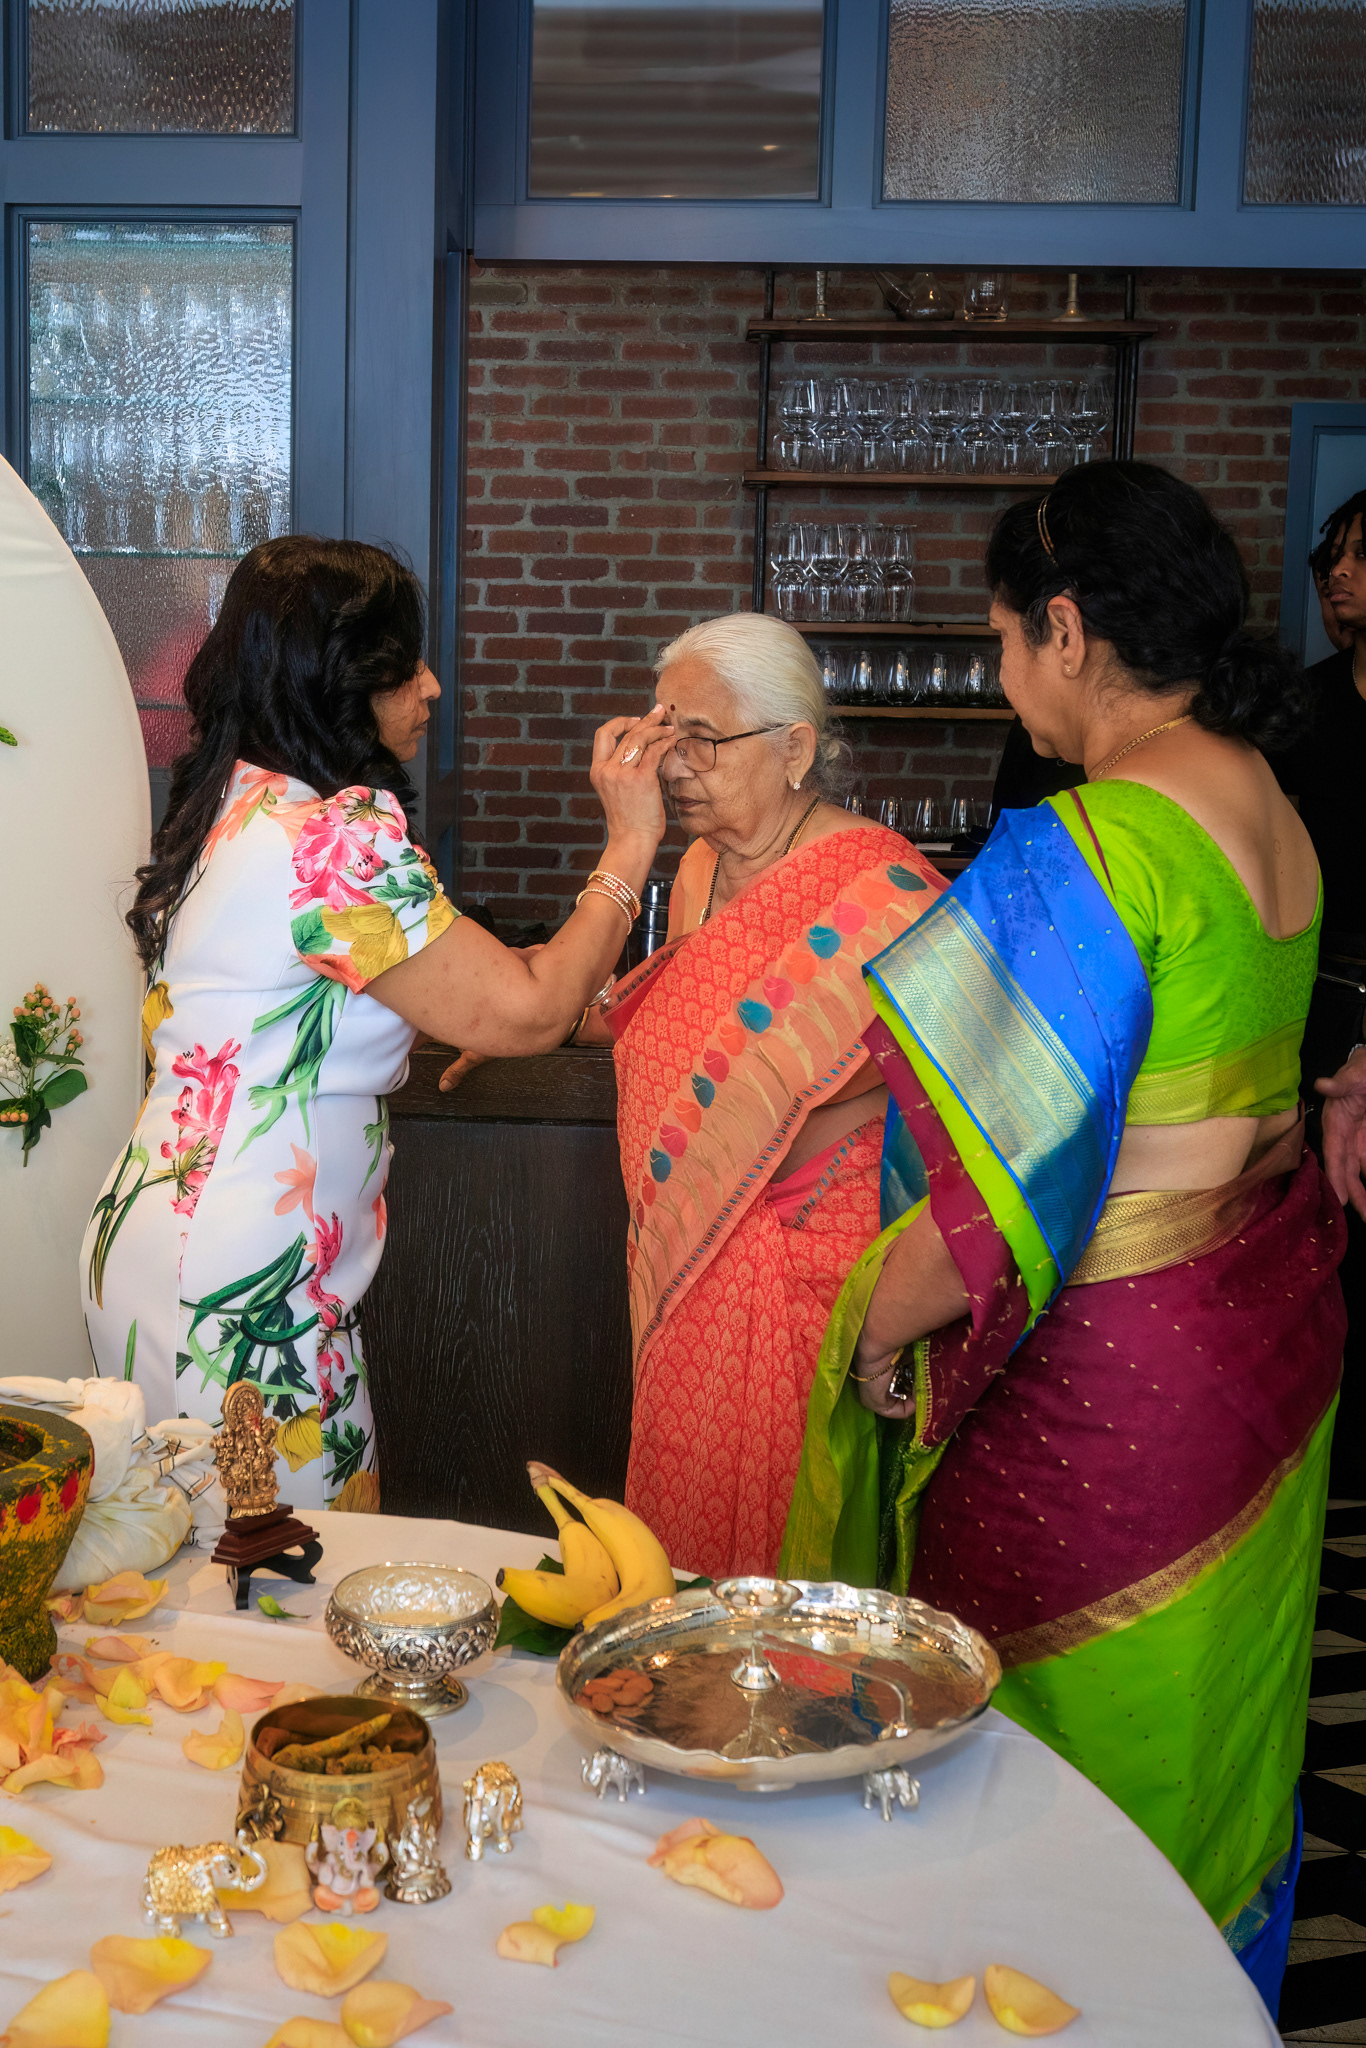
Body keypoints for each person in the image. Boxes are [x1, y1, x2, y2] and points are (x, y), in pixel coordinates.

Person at [782, 462, 1346, 2016]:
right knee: (1210, 1709)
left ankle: (1066, 2004)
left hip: (1108, 1370)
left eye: (1003, 641)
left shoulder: (1089, 843)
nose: (1004, 679)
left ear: (1070, 630)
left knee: (1064, 1734)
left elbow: (1005, 1179)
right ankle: (1198, 1999)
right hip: (1256, 1337)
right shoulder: (1272, 806)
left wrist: (876, 1321)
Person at [82, 536, 674, 1508]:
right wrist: (632, 842)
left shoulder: (238, 804)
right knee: (290, 1559)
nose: (430, 685)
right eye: (403, 663)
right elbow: (530, 1010)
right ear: (341, 677)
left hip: (162, 1240)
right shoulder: (336, 840)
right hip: (245, 1286)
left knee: (193, 1550)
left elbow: (320, 999)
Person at [592, 613, 944, 1578]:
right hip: (687, 1253)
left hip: (807, 1263)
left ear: (795, 748)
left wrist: (762, 1145)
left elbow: (937, 1103)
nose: (673, 765)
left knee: (795, 1554)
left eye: (703, 739)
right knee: (688, 1543)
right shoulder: (700, 867)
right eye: (664, 734)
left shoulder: (886, 888)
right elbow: (694, 1019)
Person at [1277, 490, 1366, 1496]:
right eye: (1330, 554)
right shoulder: (1307, 708)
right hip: (1320, 1000)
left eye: (1361, 554)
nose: (1337, 572)